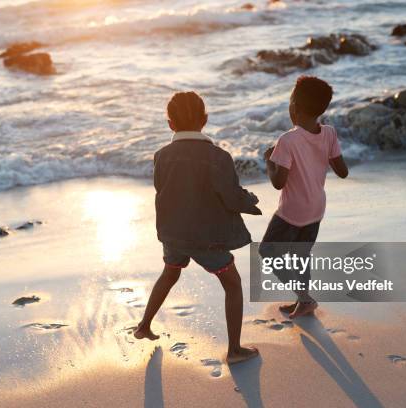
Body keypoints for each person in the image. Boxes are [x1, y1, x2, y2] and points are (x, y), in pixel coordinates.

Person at [134, 91, 261, 365]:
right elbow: (231, 196)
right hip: (208, 238)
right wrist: (249, 201)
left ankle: (144, 325)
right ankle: (235, 350)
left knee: (169, 274)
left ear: (170, 124)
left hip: (174, 234)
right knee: (233, 283)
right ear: (205, 120)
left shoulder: (161, 155)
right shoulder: (219, 157)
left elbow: (161, 189)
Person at [262, 76, 349, 318]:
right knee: (301, 256)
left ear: (294, 108)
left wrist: (269, 161)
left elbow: (278, 182)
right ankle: (304, 300)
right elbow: (342, 171)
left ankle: (304, 297)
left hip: (292, 212)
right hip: (316, 208)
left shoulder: (287, 140)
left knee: (268, 253)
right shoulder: (329, 133)